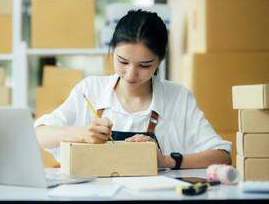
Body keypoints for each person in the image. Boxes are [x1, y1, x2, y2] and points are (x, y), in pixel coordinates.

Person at [34, 9, 232, 169]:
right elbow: (39, 136)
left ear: (161, 59)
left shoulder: (178, 97)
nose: (130, 74)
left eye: (144, 65)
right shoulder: (90, 89)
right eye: (123, 61)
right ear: (112, 49)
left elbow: (222, 157)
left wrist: (165, 161)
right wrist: (84, 133)